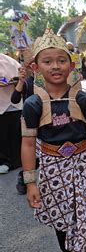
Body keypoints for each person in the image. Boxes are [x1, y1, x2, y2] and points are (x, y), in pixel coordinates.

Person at [21, 28, 86, 252]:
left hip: (82, 166)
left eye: (61, 60)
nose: (56, 66)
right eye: (48, 61)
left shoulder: (82, 99)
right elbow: (27, 144)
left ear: (71, 64)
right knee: (64, 219)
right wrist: (30, 183)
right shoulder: (33, 104)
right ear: (37, 67)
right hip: (51, 169)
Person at [11, 52, 35, 194]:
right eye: (30, 64)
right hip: (30, 122)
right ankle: (23, 177)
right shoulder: (27, 81)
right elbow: (14, 99)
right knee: (33, 156)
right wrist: (20, 81)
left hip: (48, 121)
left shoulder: (50, 79)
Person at [0, 53, 22, 174]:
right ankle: (4, 161)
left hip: (14, 104)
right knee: (2, 136)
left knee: (16, 134)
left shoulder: (10, 61)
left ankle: (17, 160)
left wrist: (17, 81)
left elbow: (21, 77)